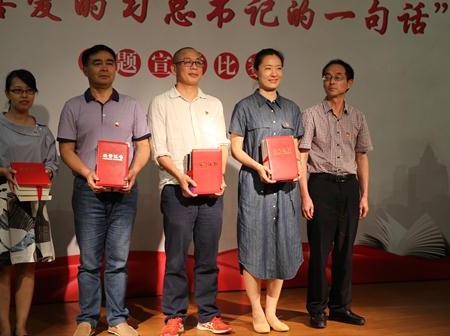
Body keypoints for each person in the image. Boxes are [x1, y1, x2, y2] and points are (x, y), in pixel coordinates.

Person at [57, 44, 151, 336]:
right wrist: (87, 173)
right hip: (88, 192)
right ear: (85, 68)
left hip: (124, 191)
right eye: (97, 63)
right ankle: (86, 319)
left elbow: (143, 146)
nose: (104, 68)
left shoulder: (131, 105)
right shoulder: (73, 106)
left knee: (118, 260)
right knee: (88, 261)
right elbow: (66, 149)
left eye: (110, 62)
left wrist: (134, 171)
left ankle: (117, 319)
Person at [148, 47, 232, 336]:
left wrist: (219, 175)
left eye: (198, 62)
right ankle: (174, 316)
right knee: (176, 256)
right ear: (174, 66)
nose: (194, 67)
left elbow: (222, 145)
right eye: (187, 62)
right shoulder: (161, 102)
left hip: (211, 191)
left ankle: (208, 314)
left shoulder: (214, 103)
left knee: (208, 256)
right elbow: (159, 151)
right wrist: (181, 176)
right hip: (176, 189)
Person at [0, 69, 58, 336]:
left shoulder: (43, 132)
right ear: (7, 93)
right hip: (2, 199)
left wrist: (47, 172)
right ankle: (4, 327)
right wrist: (3, 171)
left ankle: (21, 327)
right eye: (18, 90)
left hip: (33, 200)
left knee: (27, 264)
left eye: (29, 91)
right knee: (1, 265)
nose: (24, 96)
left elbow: (52, 163)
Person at [229, 48, 304, 334]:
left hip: (285, 190)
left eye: (278, 68)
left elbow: (295, 148)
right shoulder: (244, 107)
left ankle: (271, 311)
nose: (274, 73)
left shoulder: (292, 109)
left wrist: (297, 168)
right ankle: (256, 311)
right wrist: (258, 167)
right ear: (256, 71)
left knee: (282, 246)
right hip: (255, 188)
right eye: (268, 68)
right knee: (253, 246)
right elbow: (236, 149)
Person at [298, 59, 373, 329]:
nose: (331, 81)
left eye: (338, 77)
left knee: (345, 250)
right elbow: (302, 157)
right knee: (319, 252)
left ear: (349, 83)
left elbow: (361, 156)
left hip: (349, 187)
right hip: (321, 186)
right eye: (327, 76)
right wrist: (305, 195)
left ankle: (341, 307)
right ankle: (317, 308)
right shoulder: (310, 115)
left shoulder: (357, 116)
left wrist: (364, 194)